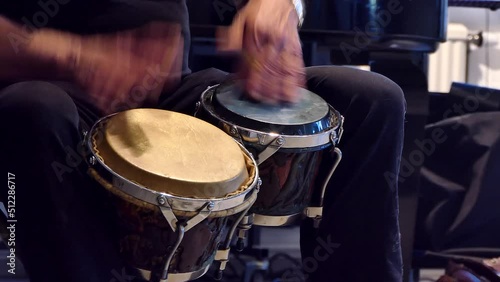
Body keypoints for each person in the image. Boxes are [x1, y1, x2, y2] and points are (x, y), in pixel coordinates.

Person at [0, 0, 406, 281]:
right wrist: (74, 56)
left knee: (370, 98)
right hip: (51, 87)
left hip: (172, 92)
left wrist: (280, 8)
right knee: (31, 109)